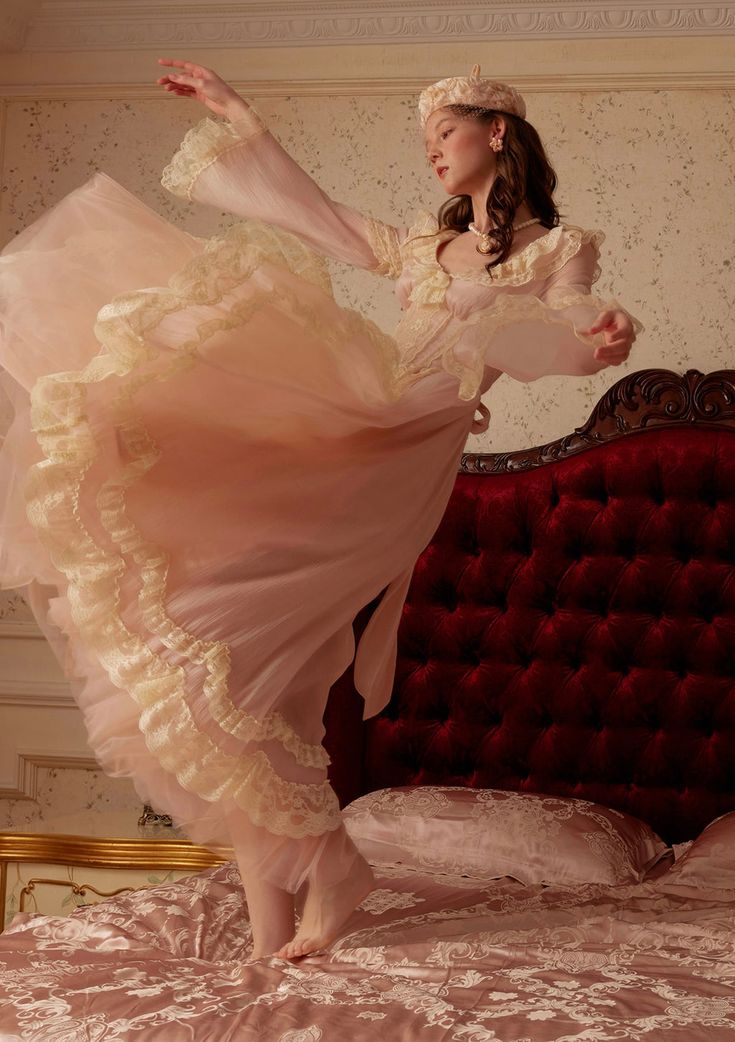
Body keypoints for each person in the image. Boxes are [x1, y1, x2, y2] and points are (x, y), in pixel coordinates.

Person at [0, 60, 641, 961]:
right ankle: (274, 930)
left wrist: (602, 337)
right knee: (261, 665)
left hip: (402, 441)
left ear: (499, 131)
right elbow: (333, 224)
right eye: (424, 143)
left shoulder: (552, 247)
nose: (431, 155)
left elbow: (575, 320)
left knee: (238, 637)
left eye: (444, 135)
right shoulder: (427, 242)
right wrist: (240, 119)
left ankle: (333, 867)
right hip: (357, 415)